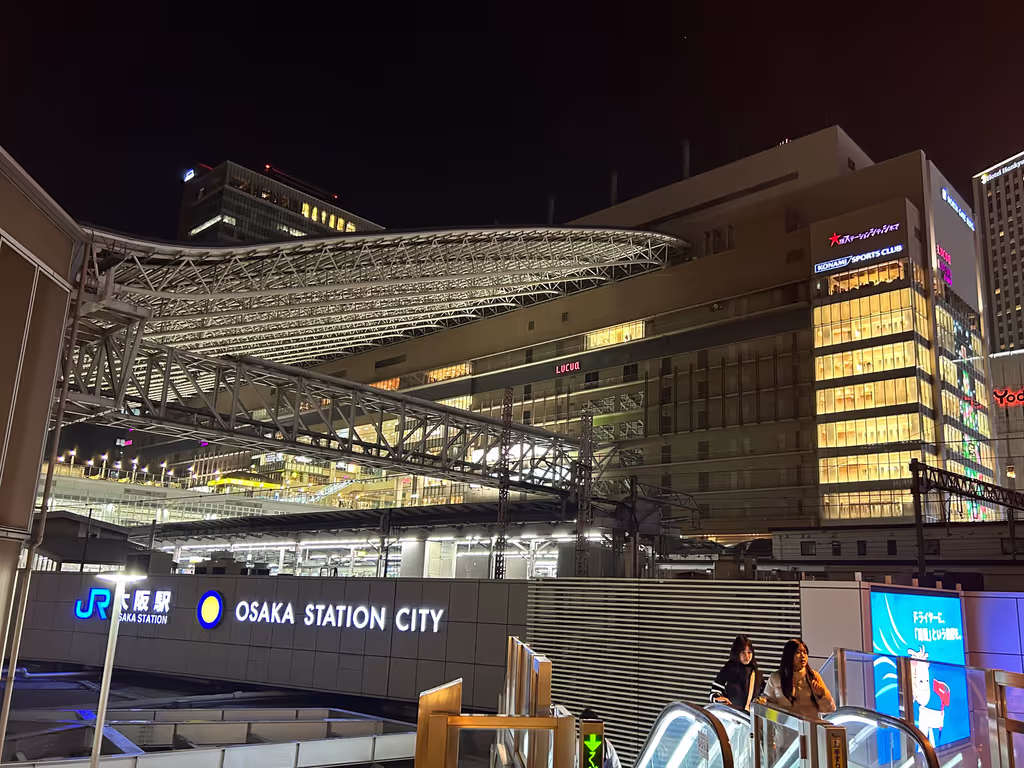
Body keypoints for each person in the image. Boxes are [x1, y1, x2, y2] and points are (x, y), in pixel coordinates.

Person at [762, 639, 835, 718]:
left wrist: (821, 694)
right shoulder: (776, 678)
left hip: (810, 727)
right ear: (789, 655)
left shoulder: (813, 676)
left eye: (805, 652)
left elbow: (830, 709)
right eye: (798, 652)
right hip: (785, 728)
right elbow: (766, 706)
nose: (803, 656)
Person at [709, 635, 763, 710]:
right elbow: (714, 693)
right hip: (730, 716)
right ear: (737, 653)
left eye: (749, 652)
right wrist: (719, 700)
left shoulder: (756, 673)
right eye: (743, 652)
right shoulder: (727, 670)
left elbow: (764, 695)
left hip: (750, 718)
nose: (747, 656)